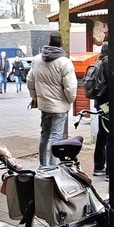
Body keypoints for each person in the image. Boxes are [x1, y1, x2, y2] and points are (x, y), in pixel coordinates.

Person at [27, 32, 77, 168]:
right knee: (56, 137)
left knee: (44, 135)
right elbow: (70, 87)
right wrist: (69, 100)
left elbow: (30, 80)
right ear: (62, 45)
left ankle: (42, 165)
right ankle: (52, 166)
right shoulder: (64, 62)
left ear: (49, 43)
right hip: (60, 106)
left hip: (44, 105)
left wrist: (34, 96)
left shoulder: (37, 60)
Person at [91, 42, 109, 177]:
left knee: (102, 134)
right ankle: (110, 170)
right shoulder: (108, 62)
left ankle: (98, 166)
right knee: (110, 133)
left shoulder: (98, 62)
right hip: (108, 103)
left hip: (100, 103)